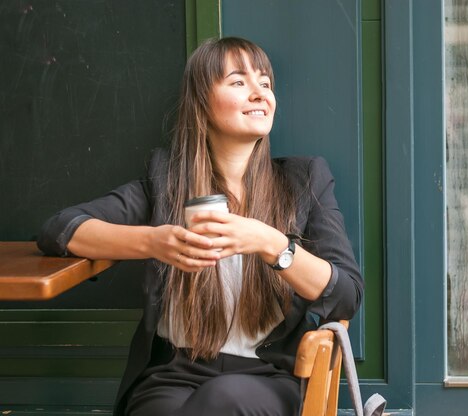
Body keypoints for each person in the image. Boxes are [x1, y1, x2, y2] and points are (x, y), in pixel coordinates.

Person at [37, 36, 363, 416]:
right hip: (175, 374)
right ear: (202, 104)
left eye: (266, 83)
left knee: (222, 399)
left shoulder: (304, 180)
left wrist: (270, 243)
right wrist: (153, 242)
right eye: (239, 82)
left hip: (270, 376)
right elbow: (60, 229)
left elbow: (345, 295)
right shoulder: (166, 183)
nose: (259, 93)